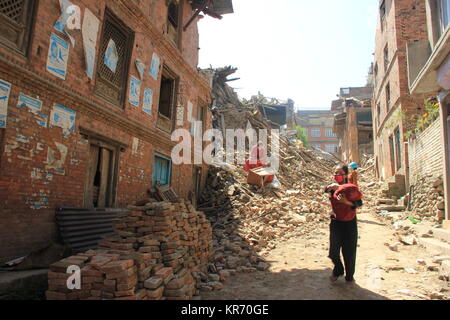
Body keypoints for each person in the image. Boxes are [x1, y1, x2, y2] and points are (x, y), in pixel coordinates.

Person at [325, 164, 361, 284]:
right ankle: (338, 269)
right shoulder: (333, 187)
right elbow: (326, 190)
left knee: (349, 251)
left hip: (350, 222)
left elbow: (359, 203)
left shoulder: (351, 188)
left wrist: (345, 201)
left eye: (339, 173)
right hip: (336, 221)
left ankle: (349, 276)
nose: (336, 175)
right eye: (335, 173)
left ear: (345, 175)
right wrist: (337, 188)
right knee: (333, 252)